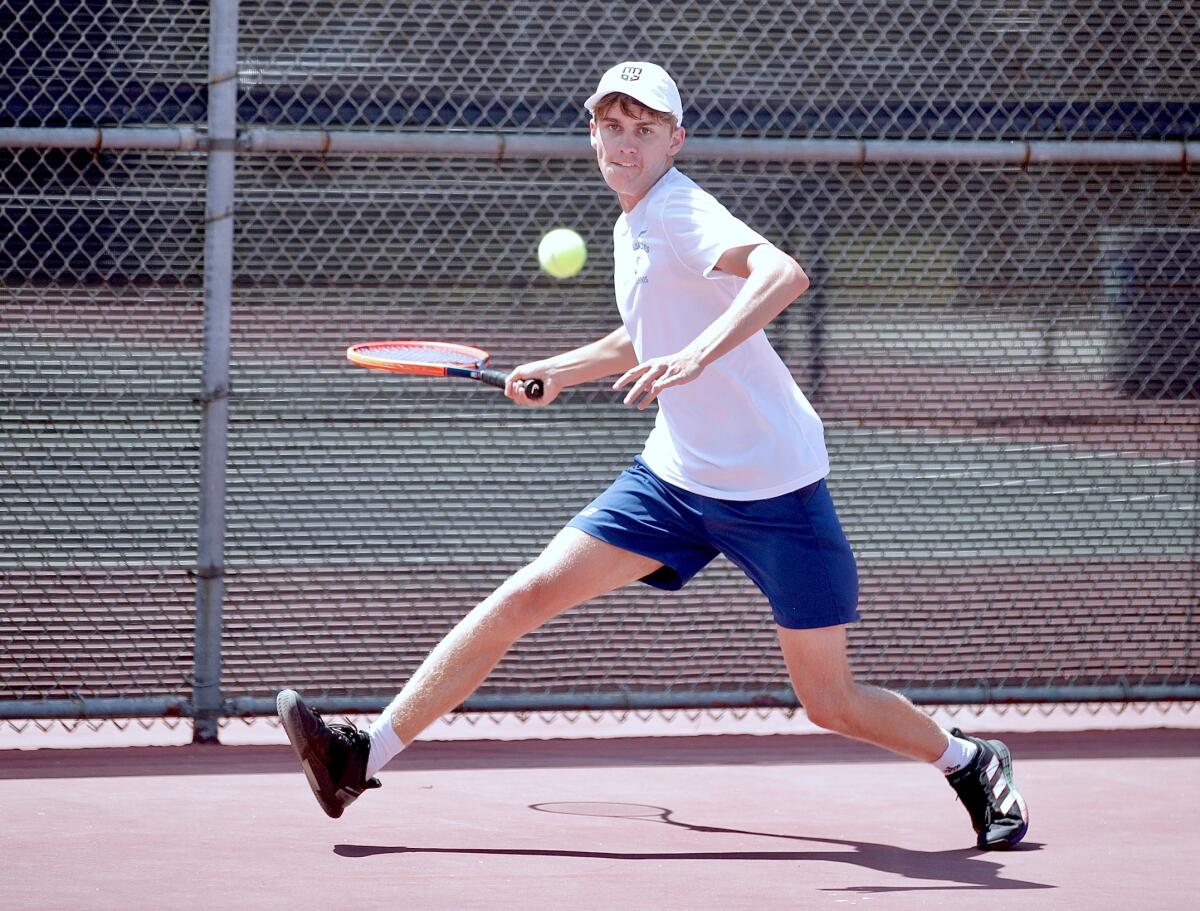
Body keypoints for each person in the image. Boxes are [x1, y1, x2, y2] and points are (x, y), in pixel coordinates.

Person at [277, 60, 1029, 851]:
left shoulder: (680, 208)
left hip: (775, 488)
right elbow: (644, 333)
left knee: (829, 700)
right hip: (673, 478)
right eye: (613, 126)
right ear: (592, 132)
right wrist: (560, 369)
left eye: (644, 129)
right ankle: (361, 755)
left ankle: (972, 760)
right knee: (524, 596)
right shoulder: (628, 222)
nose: (626, 144)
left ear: (676, 139)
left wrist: (698, 355)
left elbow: (783, 272)